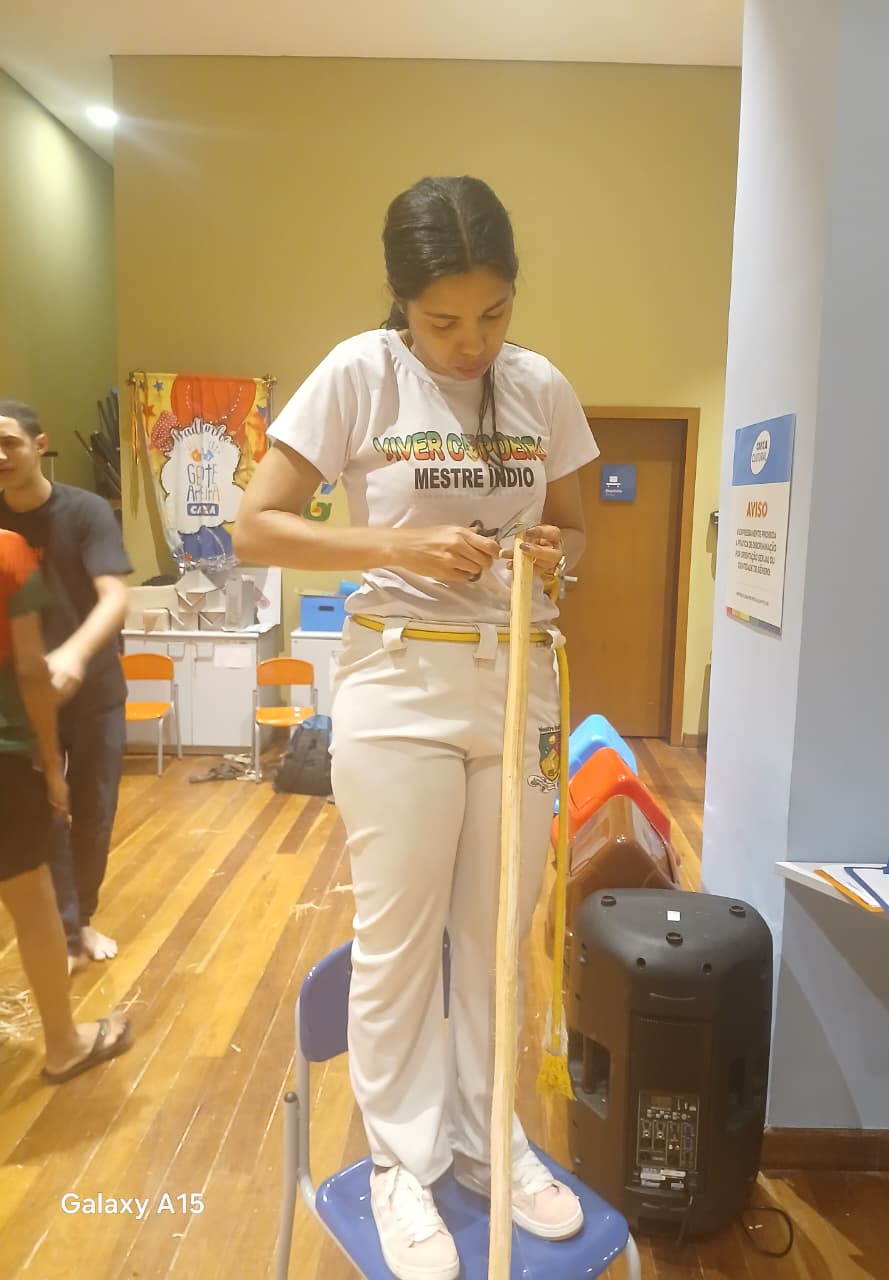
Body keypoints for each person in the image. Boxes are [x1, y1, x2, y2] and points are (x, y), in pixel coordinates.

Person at [235, 175, 598, 1280]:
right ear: (402, 302)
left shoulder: (540, 385)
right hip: (397, 681)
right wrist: (397, 546)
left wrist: (555, 556)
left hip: (519, 678)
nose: (471, 342)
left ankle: (490, 1142)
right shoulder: (360, 372)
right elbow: (257, 526)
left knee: (499, 932)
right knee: (399, 940)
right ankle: (403, 1159)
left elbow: (578, 530)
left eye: (494, 313)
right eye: (444, 321)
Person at [0, 402, 131, 969]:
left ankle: (83, 919)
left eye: (9, 442)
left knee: (94, 809)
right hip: (26, 697)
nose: (1, 455)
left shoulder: (86, 511)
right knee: (47, 812)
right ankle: (67, 930)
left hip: (95, 690)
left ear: (39, 444)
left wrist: (75, 653)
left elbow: (115, 596)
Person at [0, 527, 131, 1081]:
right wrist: (53, 766)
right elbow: (33, 671)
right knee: (34, 907)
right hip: (6, 759)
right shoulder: (8, 551)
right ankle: (64, 1043)